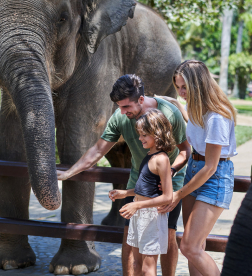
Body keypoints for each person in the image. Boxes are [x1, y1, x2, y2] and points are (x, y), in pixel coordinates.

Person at [57, 74, 191, 276]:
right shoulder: (120, 116)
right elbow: (97, 151)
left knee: (167, 236)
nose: (121, 112)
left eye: (126, 107)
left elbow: (185, 150)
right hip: (138, 184)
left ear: (141, 99)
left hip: (169, 184)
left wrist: (171, 174)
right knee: (130, 238)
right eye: (119, 106)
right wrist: (69, 173)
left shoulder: (169, 113)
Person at [158, 60, 237, 276]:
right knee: (195, 246)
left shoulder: (216, 117)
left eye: (185, 87)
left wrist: (178, 194)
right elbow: (186, 114)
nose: (181, 92)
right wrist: (166, 100)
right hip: (194, 169)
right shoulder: (195, 108)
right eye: (178, 87)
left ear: (198, 85)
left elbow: (211, 167)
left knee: (189, 246)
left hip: (213, 176)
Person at [108, 109, 174, 276]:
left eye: (144, 135)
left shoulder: (162, 159)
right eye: (140, 134)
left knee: (147, 267)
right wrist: (125, 193)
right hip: (139, 214)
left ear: (157, 133)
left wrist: (137, 205)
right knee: (136, 264)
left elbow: (167, 197)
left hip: (151, 217)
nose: (140, 138)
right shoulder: (149, 155)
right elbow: (146, 187)